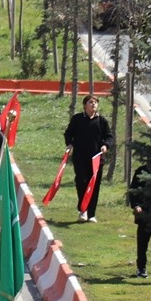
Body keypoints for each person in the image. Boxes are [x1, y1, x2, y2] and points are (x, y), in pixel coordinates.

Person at [63, 95, 112, 223]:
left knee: (94, 185)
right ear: (85, 105)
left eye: (95, 102)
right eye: (91, 102)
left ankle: (91, 214)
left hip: (96, 159)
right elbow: (68, 133)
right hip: (80, 157)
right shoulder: (77, 119)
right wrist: (69, 143)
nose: (93, 104)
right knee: (81, 182)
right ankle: (82, 210)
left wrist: (105, 145)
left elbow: (109, 136)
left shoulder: (102, 121)